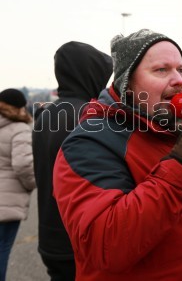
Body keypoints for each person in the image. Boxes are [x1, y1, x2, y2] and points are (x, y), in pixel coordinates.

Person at [52, 29, 182, 281]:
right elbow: (107, 246)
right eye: (161, 70)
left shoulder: (179, 133)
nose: (179, 80)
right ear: (128, 84)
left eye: (180, 69)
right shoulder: (90, 141)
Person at [32, 41, 113, 280]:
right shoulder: (89, 115)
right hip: (78, 238)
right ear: (90, 73)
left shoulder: (46, 114)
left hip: (50, 235)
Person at [0, 88, 36, 281]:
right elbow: (23, 164)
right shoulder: (19, 128)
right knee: (3, 247)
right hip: (7, 202)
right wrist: (32, 183)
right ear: (21, 107)